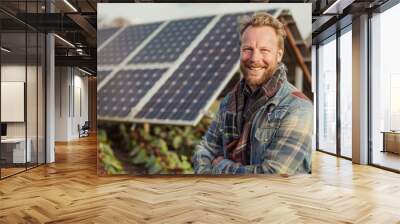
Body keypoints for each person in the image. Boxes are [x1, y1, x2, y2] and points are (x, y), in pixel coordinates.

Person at [191, 12, 313, 175]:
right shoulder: (229, 101)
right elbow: (204, 151)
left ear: (279, 55)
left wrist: (219, 166)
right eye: (248, 49)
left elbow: (274, 175)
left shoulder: (297, 107)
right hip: (227, 197)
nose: (255, 58)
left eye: (264, 50)